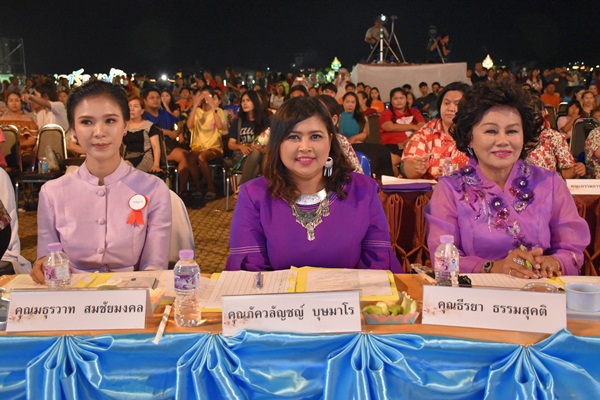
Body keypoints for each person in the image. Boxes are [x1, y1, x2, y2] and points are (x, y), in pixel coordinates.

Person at [426, 80, 589, 277]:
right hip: (475, 293)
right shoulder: (450, 189)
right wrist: (494, 267)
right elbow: (442, 258)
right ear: (470, 136)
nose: (503, 141)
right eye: (491, 131)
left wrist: (553, 262)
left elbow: (572, 249)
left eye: (512, 131)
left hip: (540, 288)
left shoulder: (550, 183)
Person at [226, 97, 400, 272]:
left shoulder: (363, 190)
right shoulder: (254, 195)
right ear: (277, 143)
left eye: (315, 136)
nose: (305, 147)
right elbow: (249, 276)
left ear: (330, 140)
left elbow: (378, 267)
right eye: (293, 137)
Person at [31, 81, 171, 283]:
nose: (99, 132)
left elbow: (154, 268)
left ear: (125, 126)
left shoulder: (153, 189)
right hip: (71, 294)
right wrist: (42, 265)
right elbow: (48, 260)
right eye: (86, 122)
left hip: (133, 294)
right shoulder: (52, 192)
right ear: (73, 130)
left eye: (110, 120)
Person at [401, 82, 470, 179]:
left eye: (457, 104)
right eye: (446, 103)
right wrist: (416, 168)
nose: (450, 108)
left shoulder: (475, 131)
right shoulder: (426, 132)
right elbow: (408, 166)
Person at [186, 86, 226, 200]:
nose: (204, 98)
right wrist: (195, 105)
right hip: (198, 146)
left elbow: (220, 126)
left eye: (207, 95)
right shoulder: (197, 112)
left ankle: (211, 187)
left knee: (201, 157)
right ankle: (198, 188)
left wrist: (213, 106)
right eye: (202, 95)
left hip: (214, 147)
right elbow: (189, 125)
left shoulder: (218, 111)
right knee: (191, 157)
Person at [379, 87, 425, 176]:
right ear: (391, 101)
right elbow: (389, 126)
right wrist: (413, 126)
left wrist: (411, 138)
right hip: (392, 146)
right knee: (392, 161)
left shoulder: (414, 112)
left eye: (401, 98)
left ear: (406, 99)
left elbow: (422, 126)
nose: (399, 101)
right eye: (395, 98)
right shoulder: (386, 113)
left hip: (412, 145)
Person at [228, 91, 270, 187]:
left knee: (258, 155)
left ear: (255, 102)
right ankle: (267, 192)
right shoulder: (238, 121)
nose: (245, 103)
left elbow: (269, 141)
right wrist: (241, 146)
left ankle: (241, 189)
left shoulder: (264, 121)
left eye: (248, 100)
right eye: (243, 101)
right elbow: (230, 144)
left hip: (261, 156)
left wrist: (262, 148)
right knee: (257, 163)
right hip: (242, 156)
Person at [124, 95, 163, 173]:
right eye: (129, 106)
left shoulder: (149, 126)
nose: (131, 109)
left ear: (142, 111)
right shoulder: (123, 126)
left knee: (126, 167)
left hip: (144, 156)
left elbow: (156, 147)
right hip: (127, 157)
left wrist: (156, 165)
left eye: (135, 106)